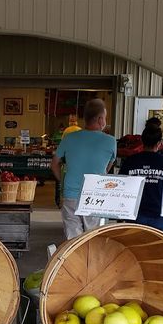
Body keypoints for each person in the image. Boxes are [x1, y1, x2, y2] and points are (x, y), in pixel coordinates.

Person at [50, 98, 117, 240]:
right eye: (105, 118)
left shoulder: (69, 138)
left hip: (71, 195)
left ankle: (75, 255)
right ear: (100, 119)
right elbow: (107, 168)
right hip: (95, 197)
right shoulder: (110, 141)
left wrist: (63, 181)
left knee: (73, 241)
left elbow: (54, 164)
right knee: (93, 239)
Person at [119, 123, 163, 232]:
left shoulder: (130, 161)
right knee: (159, 242)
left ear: (142, 141)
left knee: (134, 242)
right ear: (159, 143)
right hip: (159, 214)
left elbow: (121, 185)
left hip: (135, 214)